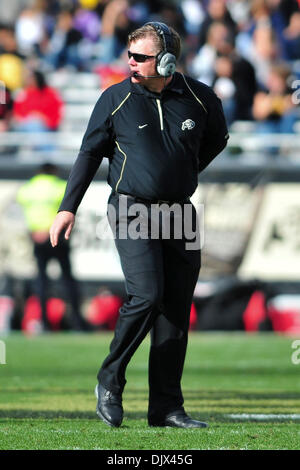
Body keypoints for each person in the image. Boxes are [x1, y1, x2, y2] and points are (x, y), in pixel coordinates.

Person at [50, 22, 228, 428]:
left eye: (141, 57)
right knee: (146, 295)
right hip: (132, 209)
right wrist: (67, 207)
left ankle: (165, 408)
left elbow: (217, 138)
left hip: (180, 213)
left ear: (166, 60)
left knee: (175, 311)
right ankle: (110, 381)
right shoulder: (114, 98)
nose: (130, 63)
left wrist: (186, 170)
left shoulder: (201, 98)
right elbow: (89, 153)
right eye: (129, 55)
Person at [17, 163, 89, 332]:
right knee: (68, 280)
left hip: (37, 237)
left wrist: (36, 231)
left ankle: (44, 322)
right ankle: (77, 322)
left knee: (42, 281)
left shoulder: (27, 189)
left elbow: (24, 210)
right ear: (53, 171)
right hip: (57, 237)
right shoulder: (59, 187)